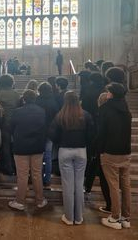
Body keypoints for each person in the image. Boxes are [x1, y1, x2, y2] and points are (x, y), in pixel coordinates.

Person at [49, 91, 93, 225]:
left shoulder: (60, 115)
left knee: (67, 185)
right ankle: (79, 217)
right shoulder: (85, 115)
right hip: (81, 150)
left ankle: (69, 217)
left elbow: (52, 134)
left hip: (65, 150)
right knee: (79, 184)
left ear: (65, 101)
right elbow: (92, 135)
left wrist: (59, 141)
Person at [99, 83, 132, 230]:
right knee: (126, 185)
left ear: (111, 94)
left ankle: (114, 217)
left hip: (110, 151)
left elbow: (102, 133)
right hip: (125, 151)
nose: (106, 94)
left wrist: (99, 149)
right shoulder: (126, 110)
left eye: (108, 92)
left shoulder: (105, 109)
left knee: (113, 186)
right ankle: (126, 217)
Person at [9, 90, 47, 210]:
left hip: (21, 147)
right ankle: (40, 200)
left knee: (22, 175)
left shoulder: (17, 112)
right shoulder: (41, 111)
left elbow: (10, 128)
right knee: (37, 174)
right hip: (37, 147)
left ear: (24, 99)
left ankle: (20, 201)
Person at [0, 74, 20, 175]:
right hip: (16, 123)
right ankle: (16, 166)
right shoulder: (16, 94)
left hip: (3, 123)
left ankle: (8, 168)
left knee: (5, 145)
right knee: (15, 145)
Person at [36, 82, 59, 188]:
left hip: (38, 131)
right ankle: (48, 179)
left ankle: (38, 178)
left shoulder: (37, 100)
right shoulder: (53, 101)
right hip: (50, 132)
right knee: (48, 156)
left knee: (39, 156)